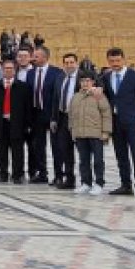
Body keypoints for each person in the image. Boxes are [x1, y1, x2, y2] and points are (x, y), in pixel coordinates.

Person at [101, 48, 135, 199]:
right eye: (112, 61)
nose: (115, 64)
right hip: (115, 123)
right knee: (121, 155)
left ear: (123, 60)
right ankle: (126, 185)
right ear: (108, 61)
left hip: (133, 122)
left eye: (117, 60)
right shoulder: (106, 76)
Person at [67, 70, 111, 194]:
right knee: (83, 160)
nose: (85, 83)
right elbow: (71, 115)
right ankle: (86, 182)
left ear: (93, 82)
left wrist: (106, 132)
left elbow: (106, 114)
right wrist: (72, 131)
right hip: (80, 133)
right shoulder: (76, 96)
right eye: (82, 81)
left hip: (96, 133)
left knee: (97, 160)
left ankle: (99, 183)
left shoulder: (99, 95)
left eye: (88, 81)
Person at [0, 60, 30, 183]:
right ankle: (3, 174)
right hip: (1, 124)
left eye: (11, 68)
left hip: (17, 124)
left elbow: (27, 107)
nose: (8, 70)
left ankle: (17, 174)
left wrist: (27, 124)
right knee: (1, 151)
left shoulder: (23, 87)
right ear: (2, 70)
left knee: (18, 151)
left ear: (15, 70)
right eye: (6, 68)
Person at [25, 47, 62, 184]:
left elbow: (58, 95)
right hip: (36, 113)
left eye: (36, 56)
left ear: (45, 57)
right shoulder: (30, 73)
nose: (33, 58)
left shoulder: (56, 72)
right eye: (33, 56)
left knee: (56, 145)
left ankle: (59, 175)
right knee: (38, 145)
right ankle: (42, 173)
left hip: (51, 114)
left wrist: (56, 116)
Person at [49, 53, 82, 190]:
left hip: (79, 118)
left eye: (71, 62)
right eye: (66, 63)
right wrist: (53, 118)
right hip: (63, 118)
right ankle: (69, 179)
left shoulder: (84, 77)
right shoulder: (60, 77)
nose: (69, 65)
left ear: (76, 63)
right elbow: (55, 99)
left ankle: (88, 180)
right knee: (65, 150)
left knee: (83, 150)